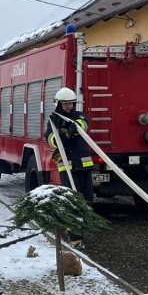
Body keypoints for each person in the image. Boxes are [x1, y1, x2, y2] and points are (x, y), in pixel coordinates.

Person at [44, 87, 94, 246]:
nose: (68, 107)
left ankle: (79, 228)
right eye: (65, 104)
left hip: (84, 164)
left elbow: (83, 124)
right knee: (72, 200)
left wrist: (74, 127)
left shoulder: (78, 116)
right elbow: (50, 137)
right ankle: (75, 238)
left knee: (87, 199)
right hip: (67, 166)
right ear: (59, 104)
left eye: (71, 104)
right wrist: (61, 136)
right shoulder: (53, 119)